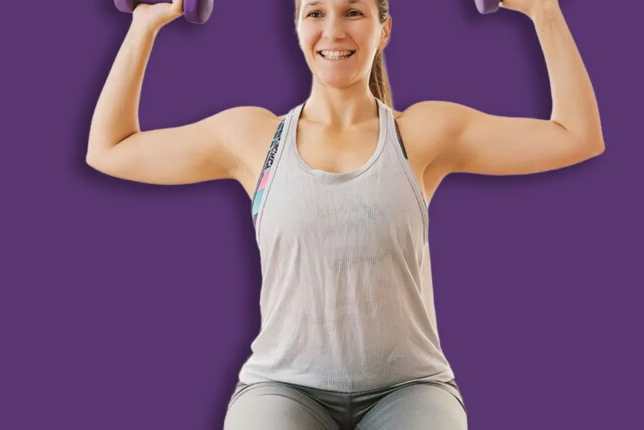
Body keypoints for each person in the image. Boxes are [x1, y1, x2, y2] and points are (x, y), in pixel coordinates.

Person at [87, 0, 605, 428]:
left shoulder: (420, 135)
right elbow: (109, 148)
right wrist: (144, 24)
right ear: (296, 28)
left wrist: (544, 10)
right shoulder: (254, 138)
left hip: (410, 388)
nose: (333, 30)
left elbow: (576, 136)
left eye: (353, 11)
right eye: (315, 13)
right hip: (283, 387)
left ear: (384, 30)